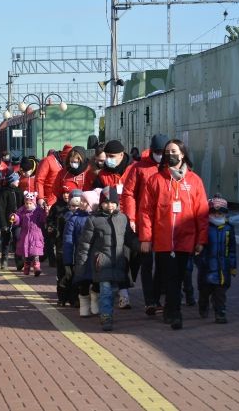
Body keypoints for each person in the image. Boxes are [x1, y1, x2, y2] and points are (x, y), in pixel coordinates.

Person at [138, 139, 209, 330]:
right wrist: (146, 238)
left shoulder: (194, 181)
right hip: (163, 240)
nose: (170, 154)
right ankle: (175, 313)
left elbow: (202, 212)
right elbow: (145, 211)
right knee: (169, 277)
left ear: (183, 154)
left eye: (174, 151)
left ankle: (171, 308)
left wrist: (201, 239)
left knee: (179, 276)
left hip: (186, 239)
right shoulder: (155, 180)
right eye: (167, 151)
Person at [74, 187, 139, 331]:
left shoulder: (123, 218)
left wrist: (140, 245)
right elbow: (85, 244)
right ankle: (106, 316)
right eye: (106, 202)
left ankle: (107, 311)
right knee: (105, 290)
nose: (110, 205)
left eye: (113, 202)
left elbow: (129, 237)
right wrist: (81, 264)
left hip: (118, 261)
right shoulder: (94, 220)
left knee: (114, 290)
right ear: (101, 203)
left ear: (117, 203)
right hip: (102, 262)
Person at [122, 133, 169, 315]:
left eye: (162, 151)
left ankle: (158, 297)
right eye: (156, 151)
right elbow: (128, 193)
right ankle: (150, 300)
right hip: (144, 222)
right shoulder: (139, 168)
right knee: (147, 261)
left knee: (163, 262)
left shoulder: (170, 167)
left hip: (165, 223)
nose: (159, 154)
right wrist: (131, 218)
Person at [94, 139, 134, 309]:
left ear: (121, 155)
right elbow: (96, 196)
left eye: (112, 156)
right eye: (107, 156)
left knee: (133, 257)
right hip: (111, 222)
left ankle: (124, 285)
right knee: (119, 256)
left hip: (131, 220)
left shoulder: (132, 169)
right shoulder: (102, 175)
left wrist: (133, 218)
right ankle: (123, 293)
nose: (108, 160)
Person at [195, 194, 237, 324]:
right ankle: (203, 306)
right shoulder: (205, 228)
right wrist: (200, 261)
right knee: (204, 292)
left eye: (221, 212)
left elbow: (232, 249)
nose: (217, 215)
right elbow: (198, 248)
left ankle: (220, 313)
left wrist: (233, 265)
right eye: (214, 212)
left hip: (222, 268)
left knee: (220, 293)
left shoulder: (229, 228)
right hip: (207, 267)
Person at [65, 189, 101, 317]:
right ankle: (84, 306)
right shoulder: (74, 218)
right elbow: (68, 239)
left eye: (85, 201)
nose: (82, 203)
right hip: (81, 256)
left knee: (97, 282)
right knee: (83, 281)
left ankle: (95, 302)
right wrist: (68, 259)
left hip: (96, 256)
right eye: (82, 200)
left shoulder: (98, 218)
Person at [48, 181, 78, 306]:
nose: (66, 195)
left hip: (76, 248)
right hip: (62, 247)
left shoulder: (82, 214)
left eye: (68, 193)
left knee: (74, 274)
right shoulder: (57, 208)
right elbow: (51, 222)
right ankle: (62, 298)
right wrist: (50, 228)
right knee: (62, 274)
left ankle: (74, 298)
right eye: (64, 193)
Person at [11, 191, 47, 276]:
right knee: (26, 254)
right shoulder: (22, 210)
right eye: (26, 203)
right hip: (25, 235)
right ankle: (26, 267)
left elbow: (43, 219)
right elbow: (18, 219)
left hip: (36, 235)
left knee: (35, 254)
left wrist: (45, 212)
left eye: (30, 203)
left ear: (33, 203)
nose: (28, 205)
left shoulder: (38, 211)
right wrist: (14, 218)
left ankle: (37, 268)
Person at [0, 172, 24, 270]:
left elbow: (23, 207)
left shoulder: (19, 191)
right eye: (17, 180)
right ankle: (4, 260)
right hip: (7, 221)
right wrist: (3, 224)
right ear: (11, 181)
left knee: (18, 239)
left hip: (18, 222)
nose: (18, 181)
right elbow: (1, 209)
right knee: (6, 240)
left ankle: (19, 260)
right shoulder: (4, 192)